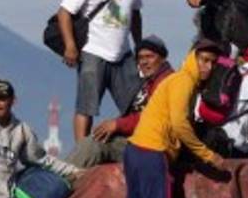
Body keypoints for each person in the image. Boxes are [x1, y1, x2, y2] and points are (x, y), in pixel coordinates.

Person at [86, 40, 229, 198]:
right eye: (203, 60)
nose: (207, 66)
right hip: (152, 153)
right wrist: (208, 155)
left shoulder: (177, 82)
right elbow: (179, 124)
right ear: (191, 58)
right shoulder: (183, 81)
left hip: (136, 151)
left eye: (211, 62)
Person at [57, 0, 143, 145]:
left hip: (123, 54)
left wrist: (139, 46)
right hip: (93, 51)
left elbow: (136, 14)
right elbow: (64, 12)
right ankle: (82, 153)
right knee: (86, 106)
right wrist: (70, 45)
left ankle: (134, 148)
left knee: (136, 105)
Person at [67, 36, 173, 168]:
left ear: (162, 58)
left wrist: (117, 124)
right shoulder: (148, 82)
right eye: (140, 58)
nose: (144, 62)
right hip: (136, 140)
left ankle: (58, 180)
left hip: (149, 146)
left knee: (96, 143)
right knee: (96, 138)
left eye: (149, 56)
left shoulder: (168, 82)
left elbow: (155, 118)